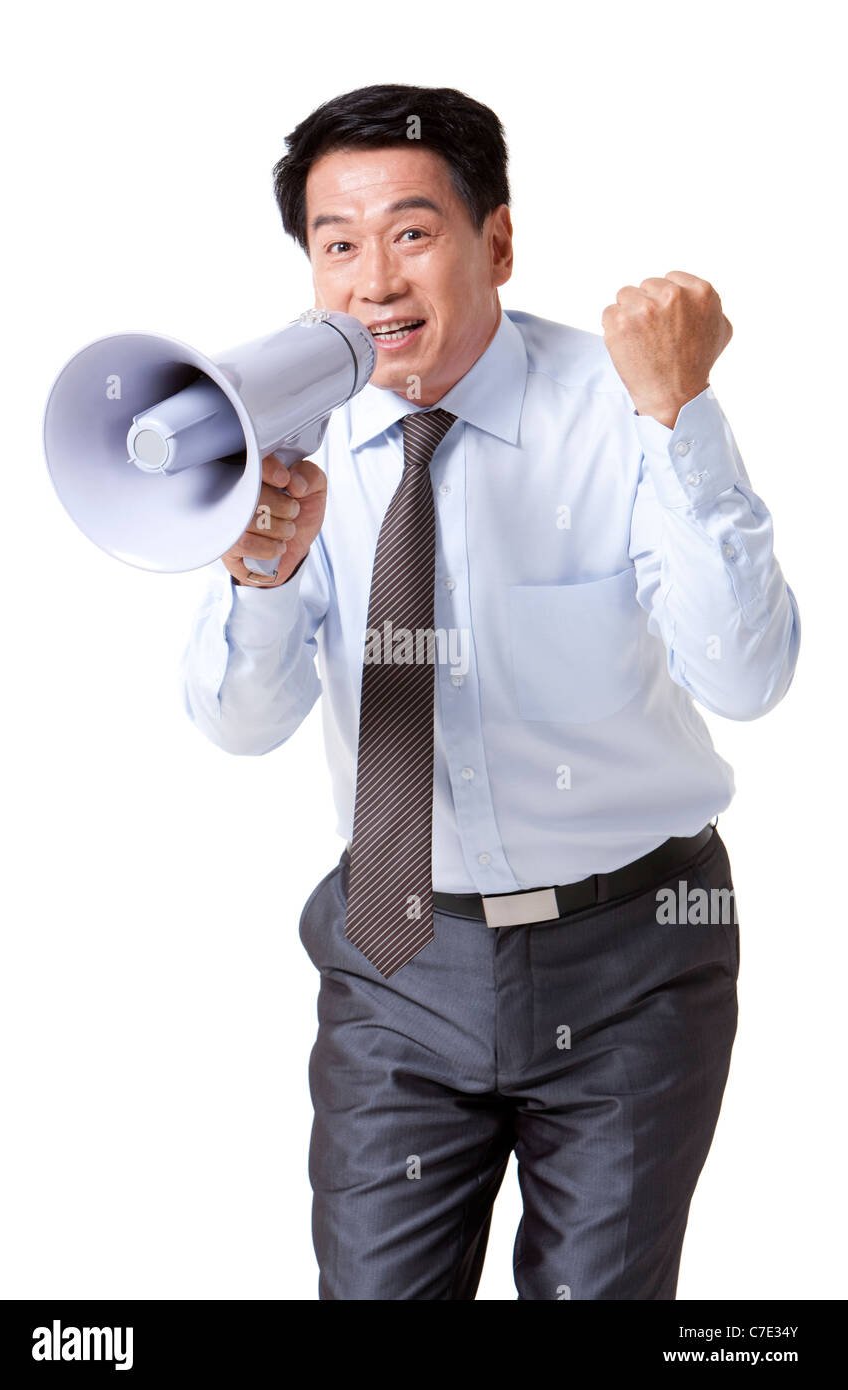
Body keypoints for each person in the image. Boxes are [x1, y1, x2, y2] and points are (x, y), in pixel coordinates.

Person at [181, 84, 801, 1300]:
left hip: (635, 958)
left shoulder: (621, 410)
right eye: (336, 244)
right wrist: (261, 577)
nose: (372, 283)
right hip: (397, 953)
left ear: (495, 243)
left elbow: (746, 673)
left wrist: (679, 415)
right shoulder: (285, 437)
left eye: (410, 233)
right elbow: (238, 727)